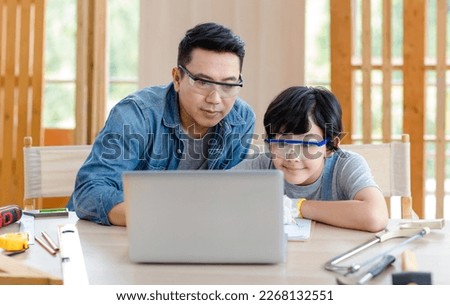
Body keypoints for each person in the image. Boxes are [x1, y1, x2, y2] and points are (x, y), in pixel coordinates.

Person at [67, 22, 255, 226]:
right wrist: (165, 219)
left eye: (228, 85)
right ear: (177, 78)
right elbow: (89, 193)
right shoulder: (135, 115)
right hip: (111, 236)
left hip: (194, 235)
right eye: (202, 82)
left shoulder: (241, 119)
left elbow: (228, 193)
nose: (215, 99)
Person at [234, 86, 388, 232]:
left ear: (329, 146)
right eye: (282, 142)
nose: (292, 156)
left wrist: (298, 206)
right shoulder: (261, 166)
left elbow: (375, 216)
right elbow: (212, 195)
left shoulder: (345, 165)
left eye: (307, 144)